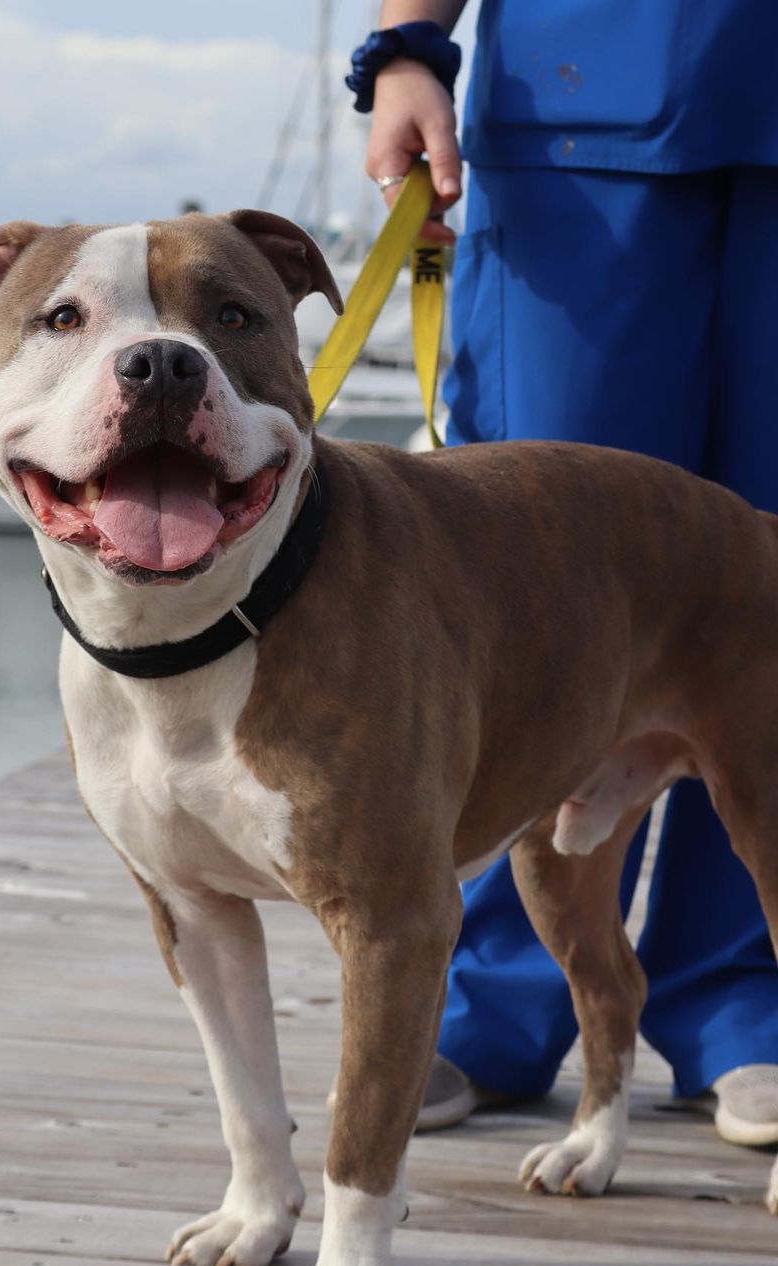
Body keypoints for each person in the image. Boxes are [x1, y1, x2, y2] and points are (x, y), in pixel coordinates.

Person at [350, 0, 778, 1143]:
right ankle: (491, 994)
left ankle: (741, 1002)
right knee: (540, 571)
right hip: (587, 101)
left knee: (762, 605)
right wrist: (406, 49)